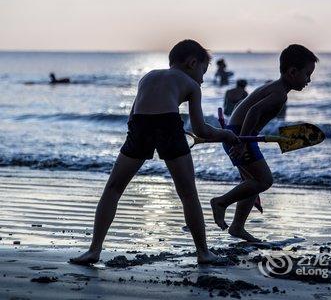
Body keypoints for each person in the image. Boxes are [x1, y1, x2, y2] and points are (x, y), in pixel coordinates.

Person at [70, 39, 239, 265]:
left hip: (140, 126)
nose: (202, 78)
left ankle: (94, 250)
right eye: (203, 71)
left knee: (113, 188)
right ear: (192, 63)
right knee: (187, 193)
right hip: (168, 123)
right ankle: (203, 253)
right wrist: (225, 135)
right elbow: (200, 130)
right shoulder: (191, 85)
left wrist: (144, 135)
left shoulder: (147, 77)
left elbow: (132, 117)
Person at [210, 44, 318, 242]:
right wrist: (241, 142)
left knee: (253, 182)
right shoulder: (279, 94)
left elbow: (250, 112)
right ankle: (220, 203)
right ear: (292, 72)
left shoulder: (273, 88)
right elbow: (253, 112)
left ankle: (237, 227)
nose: (309, 80)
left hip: (240, 134)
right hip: (241, 136)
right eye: (307, 74)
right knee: (265, 180)